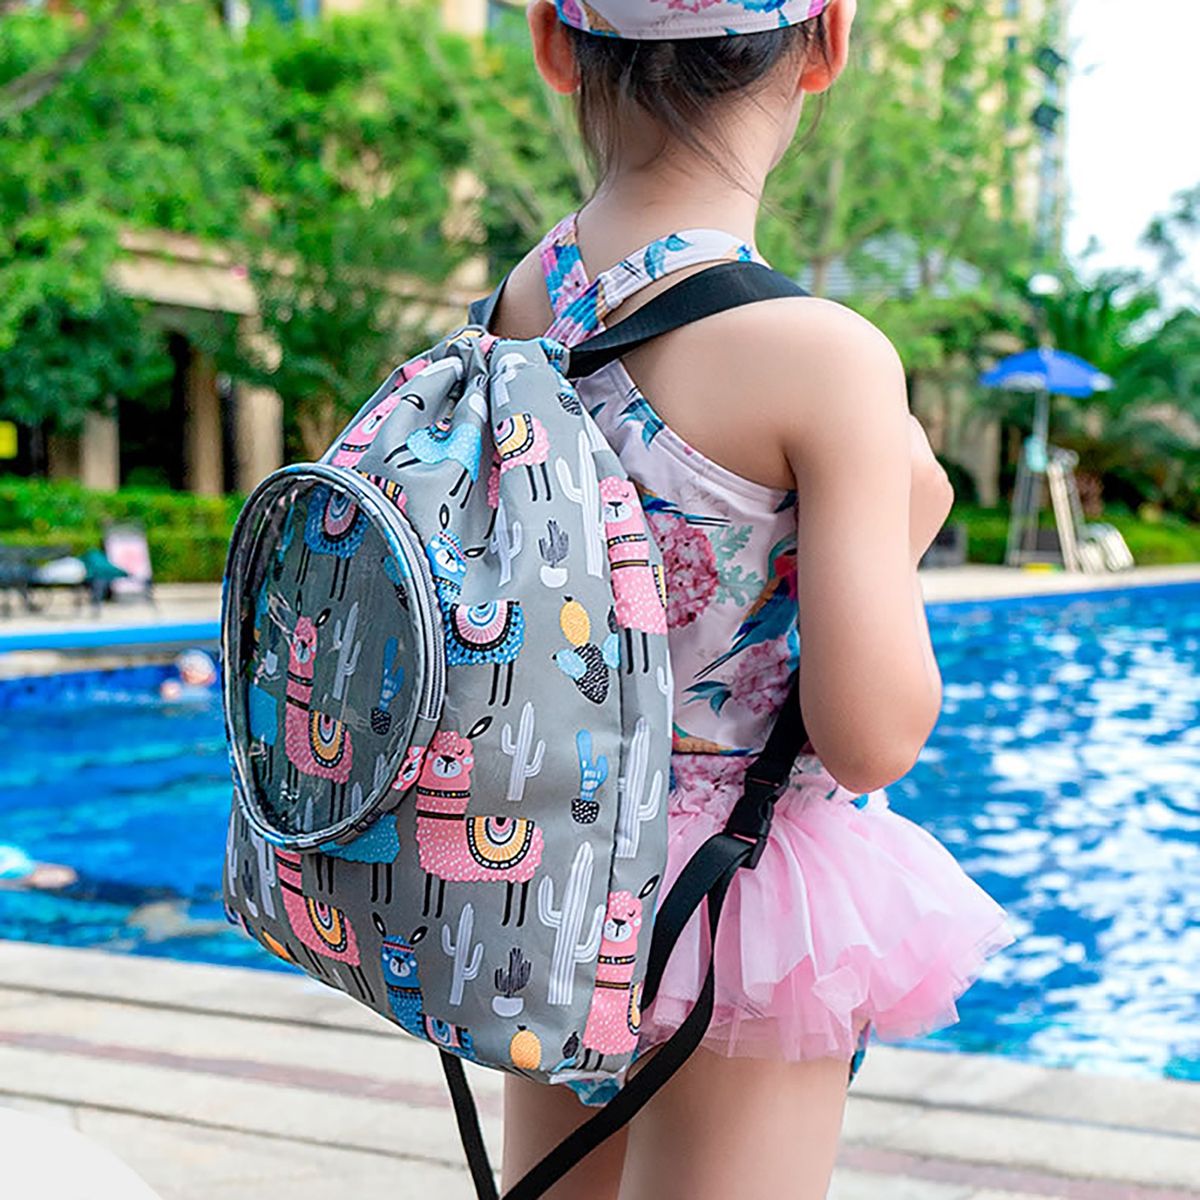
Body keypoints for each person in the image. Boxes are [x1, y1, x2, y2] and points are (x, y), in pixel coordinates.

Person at [485, 2, 1018, 1197]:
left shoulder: (525, 303)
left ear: (554, 43)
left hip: (547, 861)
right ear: (827, 43)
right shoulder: (822, 357)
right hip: (735, 903)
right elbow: (872, 735)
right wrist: (902, 534)